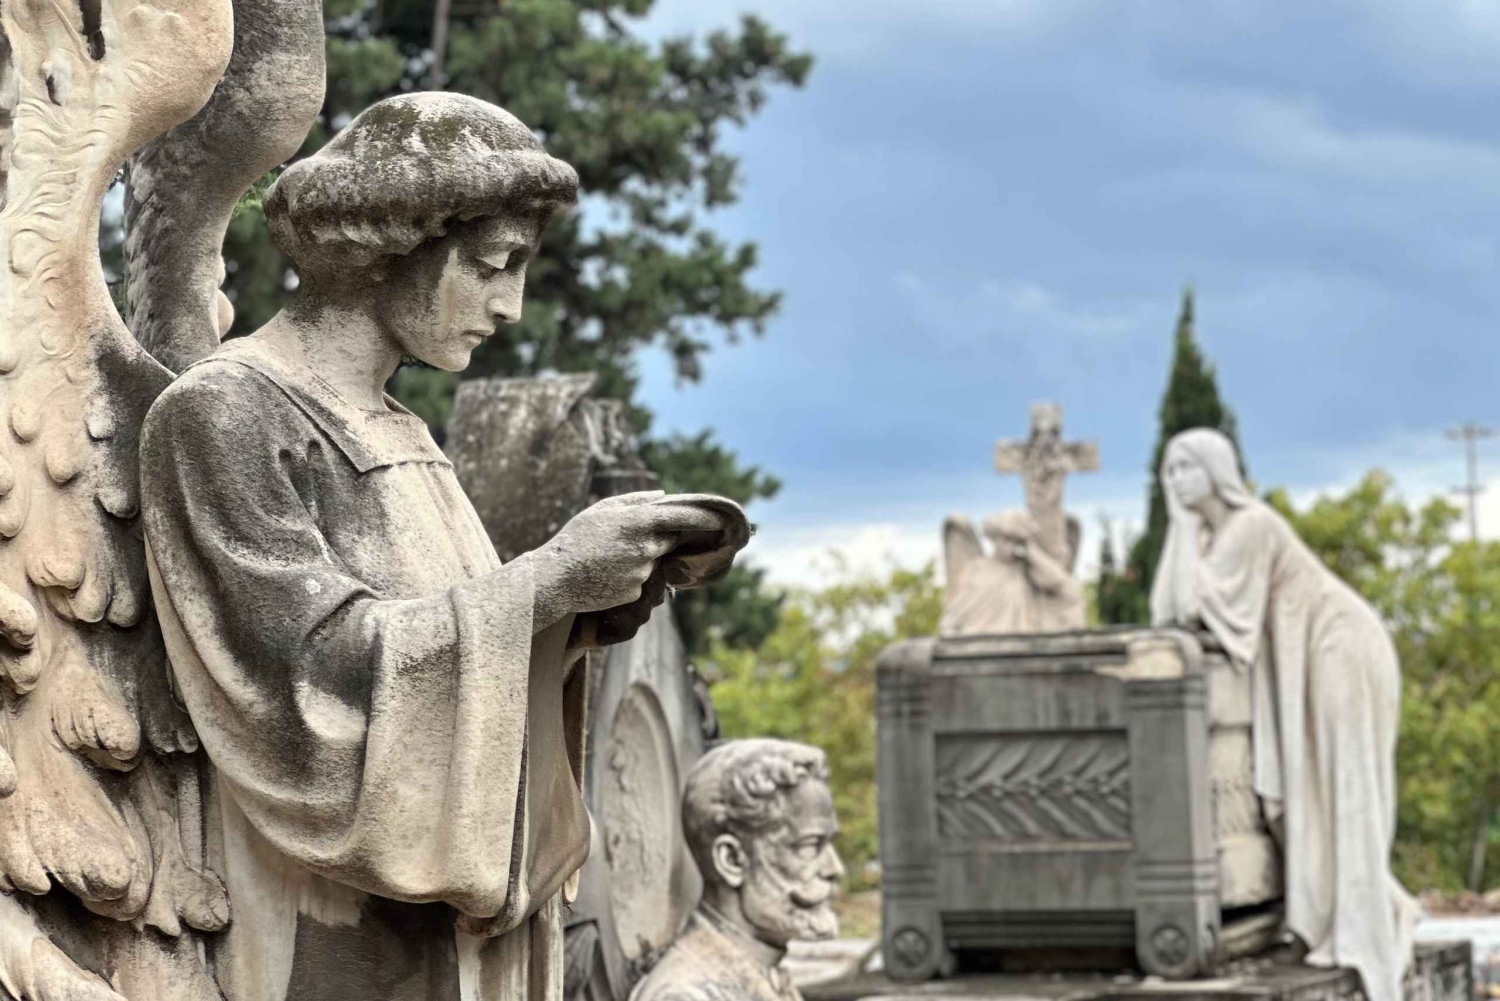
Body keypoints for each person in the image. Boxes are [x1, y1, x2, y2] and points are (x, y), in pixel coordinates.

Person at [139, 92, 747, 1001]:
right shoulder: (226, 412)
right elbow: (305, 683)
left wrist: (585, 605)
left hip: (450, 938)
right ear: (395, 240)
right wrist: (548, 581)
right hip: (331, 932)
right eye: (495, 265)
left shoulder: (401, 428)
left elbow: (458, 641)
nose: (512, 306)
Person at [1149, 428, 1419, 1001]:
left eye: (1187, 467)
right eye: (1169, 471)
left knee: (1342, 790)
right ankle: (1383, 906)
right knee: (1317, 799)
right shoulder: (1208, 536)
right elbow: (1165, 612)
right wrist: (1178, 525)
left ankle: (1367, 923)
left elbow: (1193, 608)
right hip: (1309, 658)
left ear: (1217, 470)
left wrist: (1180, 530)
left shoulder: (1251, 526)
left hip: (1338, 645)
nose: (1176, 481)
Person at [630, 740, 845, 1001]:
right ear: (731, 860)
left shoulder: (763, 972)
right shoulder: (684, 995)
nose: (834, 869)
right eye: (809, 846)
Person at [940, 510, 1084, 635]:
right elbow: (962, 605)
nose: (1009, 545)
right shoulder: (978, 568)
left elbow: (1060, 583)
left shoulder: (1025, 569)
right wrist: (950, 625)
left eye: (1016, 541)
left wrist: (1031, 550)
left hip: (1021, 643)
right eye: (1005, 539)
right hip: (980, 639)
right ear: (994, 539)